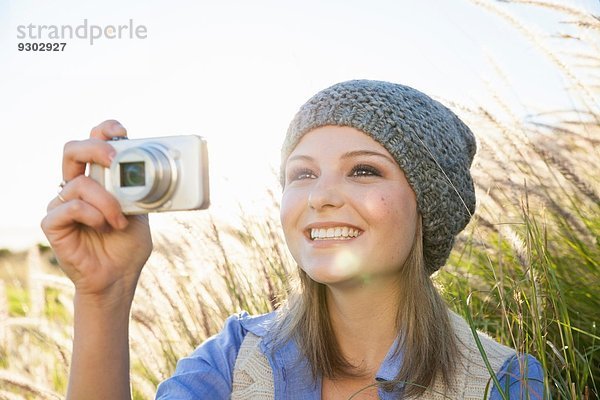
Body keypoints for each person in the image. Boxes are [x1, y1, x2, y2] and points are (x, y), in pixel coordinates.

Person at [42, 80, 544, 399]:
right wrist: (104, 295)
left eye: (364, 170)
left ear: (428, 206)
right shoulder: (233, 359)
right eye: (301, 175)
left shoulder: (503, 380)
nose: (320, 196)